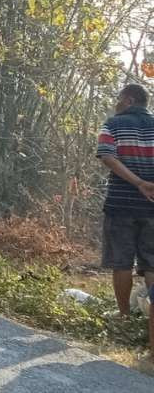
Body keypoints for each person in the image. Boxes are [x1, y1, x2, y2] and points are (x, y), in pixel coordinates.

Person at [96, 84, 154, 344]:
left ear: (129, 100)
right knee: (151, 263)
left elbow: (107, 156)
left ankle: (124, 316)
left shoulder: (113, 124)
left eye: (119, 98)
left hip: (120, 205)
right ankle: (151, 321)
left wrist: (137, 182)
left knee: (121, 262)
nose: (116, 103)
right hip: (152, 206)